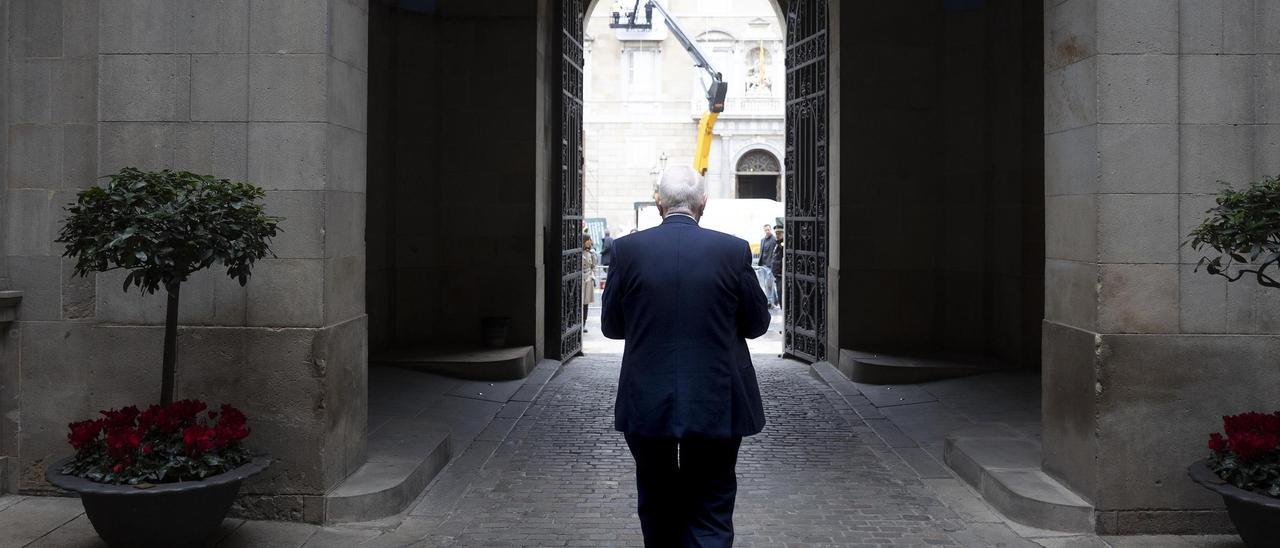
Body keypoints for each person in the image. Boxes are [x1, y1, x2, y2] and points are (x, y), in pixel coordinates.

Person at [601, 166, 770, 547]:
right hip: (717, 397)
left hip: (647, 397)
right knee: (712, 505)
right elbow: (758, 323)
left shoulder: (627, 251)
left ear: (658, 202)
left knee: (657, 503)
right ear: (703, 204)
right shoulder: (732, 250)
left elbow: (611, 325)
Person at [757, 224, 777, 307]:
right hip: (763, 265)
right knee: (768, 284)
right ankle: (775, 300)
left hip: (770, 265)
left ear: (771, 230)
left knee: (768, 284)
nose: (767, 231)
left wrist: (774, 265)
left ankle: (769, 302)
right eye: (765, 230)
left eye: (768, 229)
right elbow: (761, 252)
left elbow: (775, 253)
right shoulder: (762, 240)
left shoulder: (774, 240)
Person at [582, 236, 598, 333]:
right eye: (588, 240)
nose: (590, 241)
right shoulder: (578, 252)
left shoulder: (592, 253)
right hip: (579, 279)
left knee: (585, 304)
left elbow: (594, 266)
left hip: (588, 279)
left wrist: (592, 276)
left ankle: (583, 324)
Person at [771, 225, 784, 308]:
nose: (777, 235)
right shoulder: (777, 244)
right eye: (776, 233)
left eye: (779, 233)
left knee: (781, 296)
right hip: (777, 276)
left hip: (781, 275)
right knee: (779, 296)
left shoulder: (783, 244)